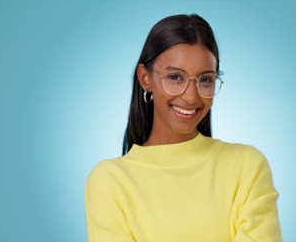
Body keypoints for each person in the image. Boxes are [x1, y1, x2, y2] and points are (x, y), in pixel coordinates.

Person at [84, 14, 283, 242]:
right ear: (145, 78)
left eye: (205, 80)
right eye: (175, 77)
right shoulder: (110, 181)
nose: (190, 97)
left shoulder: (247, 166)